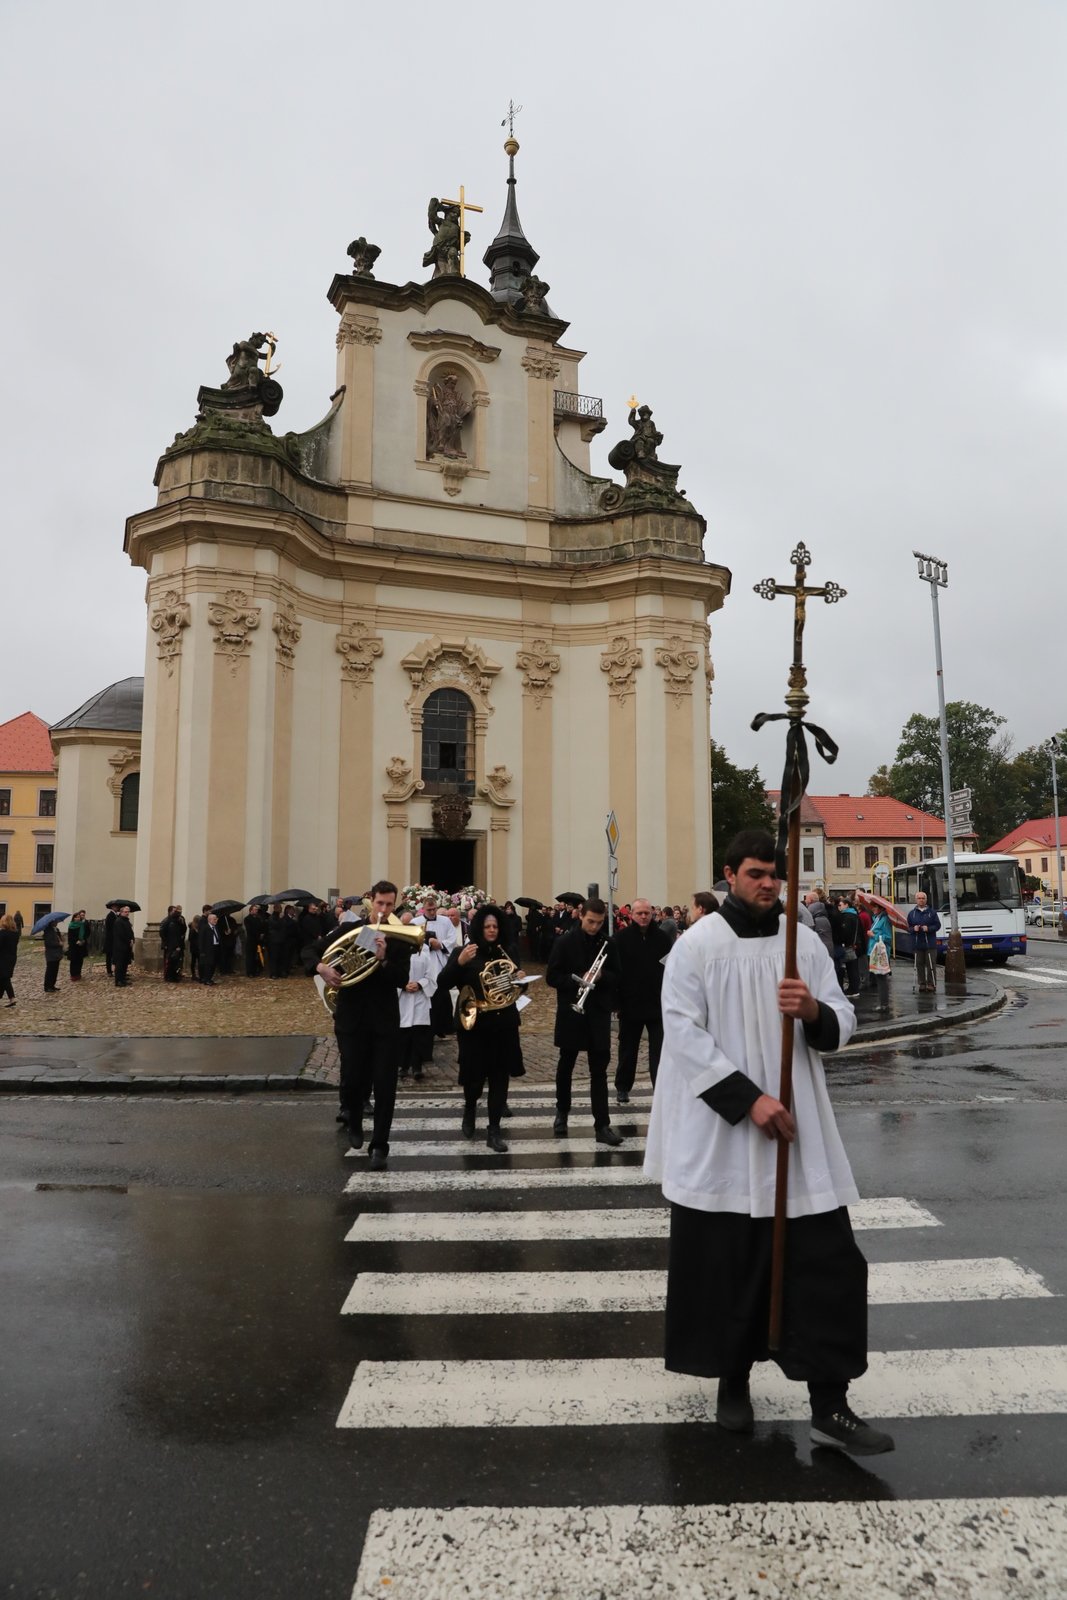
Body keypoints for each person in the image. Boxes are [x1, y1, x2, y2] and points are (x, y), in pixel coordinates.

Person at [644, 828, 893, 1457]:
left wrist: (813, 1013)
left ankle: (830, 1406)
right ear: (730, 874)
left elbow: (844, 1017)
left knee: (825, 1263)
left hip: (796, 1132)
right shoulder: (696, 947)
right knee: (730, 1265)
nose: (769, 884)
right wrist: (749, 1099)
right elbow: (682, 1035)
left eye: (775, 875)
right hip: (727, 1135)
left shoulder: (802, 943)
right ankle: (733, 1384)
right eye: (756, 873)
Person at [315, 879, 412, 1170]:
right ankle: (354, 1120)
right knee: (354, 1078)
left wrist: (382, 959)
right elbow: (312, 952)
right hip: (351, 1018)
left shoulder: (399, 938)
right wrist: (321, 967)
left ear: (395, 905)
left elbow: (400, 979)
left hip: (383, 1021)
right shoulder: (350, 930)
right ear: (371, 901)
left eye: (389, 904)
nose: (384, 909)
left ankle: (380, 1145)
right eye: (380, 903)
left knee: (385, 1085)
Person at [440, 904, 526, 1151]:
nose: (491, 930)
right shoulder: (464, 951)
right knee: (474, 1079)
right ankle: (469, 1109)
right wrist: (459, 962)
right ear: (479, 928)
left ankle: (494, 1130)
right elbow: (443, 983)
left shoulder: (507, 951)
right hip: (475, 1026)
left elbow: (518, 986)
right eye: (487, 926)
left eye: (495, 926)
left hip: (503, 1024)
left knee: (500, 1079)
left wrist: (520, 980)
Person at [546, 897, 623, 1146]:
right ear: (581, 916)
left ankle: (602, 1125)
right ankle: (562, 1112)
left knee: (599, 1071)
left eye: (599, 923)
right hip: (572, 1010)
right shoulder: (565, 942)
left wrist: (601, 975)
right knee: (566, 1064)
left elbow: (617, 975)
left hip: (598, 1013)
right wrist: (579, 979)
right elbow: (552, 977)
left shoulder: (608, 943)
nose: (594, 927)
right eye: (591, 921)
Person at [612, 897, 673, 1104]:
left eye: (647, 913)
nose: (644, 916)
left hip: (657, 1004)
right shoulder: (621, 939)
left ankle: (660, 1087)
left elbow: (671, 969)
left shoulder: (663, 938)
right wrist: (617, 1003)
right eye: (639, 913)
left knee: (659, 1051)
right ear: (632, 915)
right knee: (628, 1050)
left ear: (652, 914)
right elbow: (616, 972)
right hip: (630, 1004)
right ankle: (622, 1087)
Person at [398, 940, 436, 1082]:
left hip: (420, 999)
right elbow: (393, 975)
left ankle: (417, 1067)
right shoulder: (400, 957)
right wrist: (403, 985)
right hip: (404, 999)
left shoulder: (425, 957)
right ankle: (403, 1066)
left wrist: (420, 984)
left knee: (418, 1034)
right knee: (404, 1036)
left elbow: (431, 977)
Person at [908, 890, 941, 993]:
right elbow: (908, 927)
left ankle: (931, 983)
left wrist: (929, 929)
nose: (921, 900)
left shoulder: (932, 912)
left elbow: (937, 925)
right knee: (919, 964)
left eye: (923, 898)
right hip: (917, 943)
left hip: (929, 943)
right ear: (916, 900)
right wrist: (914, 929)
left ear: (926, 900)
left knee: (931, 964)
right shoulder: (912, 913)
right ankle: (922, 983)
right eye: (919, 898)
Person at [868, 906, 894, 1013]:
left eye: (875, 907)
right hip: (875, 951)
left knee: (882, 978)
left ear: (881, 908)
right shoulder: (876, 918)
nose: (873, 908)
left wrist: (873, 935)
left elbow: (888, 937)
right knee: (879, 978)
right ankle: (883, 1003)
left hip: (881, 953)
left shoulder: (884, 920)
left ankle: (884, 1004)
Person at [159, 905, 187, 982]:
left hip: (178, 944)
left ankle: (175, 975)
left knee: (177, 961)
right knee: (169, 961)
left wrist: (182, 923)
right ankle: (168, 976)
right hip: (169, 945)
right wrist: (166, 943)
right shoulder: (166, 920)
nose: (177, 913)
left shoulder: (180, 920)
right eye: (175, 911)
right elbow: (162, 932)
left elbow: (183, 931)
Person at [112, 907, 135, 987]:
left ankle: (123, 979)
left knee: (124, 964)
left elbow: (130, 932)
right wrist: (129, 940)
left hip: (126, 946)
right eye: (125, 912)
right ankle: (118, 981)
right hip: (120, 947)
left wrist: (132, 939)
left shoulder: (126, 921)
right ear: (121, 912)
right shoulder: (118, 921)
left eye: (128, 912)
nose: (127, 913)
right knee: (120, 965)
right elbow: (121, 934)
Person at [0, 912, 19, 1006]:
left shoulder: (3, 933)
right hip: (11, 958)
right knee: (3, 978)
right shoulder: (15, 934)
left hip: (2, 959)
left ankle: (12, 998)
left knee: (4, 978)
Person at [197, 912, 220, 986]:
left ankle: (210, 978)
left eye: (216, 919)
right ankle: (206, 979)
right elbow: (201, 940)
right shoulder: (205, 928)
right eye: (214, 919)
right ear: (209, 920)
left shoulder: (216, 927)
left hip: (216, 947)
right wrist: (202, 951)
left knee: (213, 964)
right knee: (208, 965)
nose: (216, 920)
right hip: (208, 949)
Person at [243, 905, 265, 977]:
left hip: (258, 941)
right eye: (255, 909)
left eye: (257, 910)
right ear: (251, 910)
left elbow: (261, 927)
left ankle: (255, 971)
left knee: (256, 957)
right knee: (250, 957)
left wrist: (262, 933)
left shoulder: (258, 919)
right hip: (251, 940)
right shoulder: (247, 919)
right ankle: (250, 972)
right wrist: (258, 934)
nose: (256, 911)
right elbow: (250, 930)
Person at [67, 911, 89, 981]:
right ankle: (73, 974)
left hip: (81, 945)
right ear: (73, 918)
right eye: (76, 917)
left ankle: (78, 973)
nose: (78, 918)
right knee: (74, 961)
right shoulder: (71, 925)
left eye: (79, 917)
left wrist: (83, 940)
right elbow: (70, 937)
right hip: (74, 946)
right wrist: (76, 941)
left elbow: (86, 933)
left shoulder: (82, 925)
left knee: (80, 960)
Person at [103, 906, 117, 977]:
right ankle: (109, 971)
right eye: (116, 907)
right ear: (112, 907)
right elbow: (111, 928)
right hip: (110, 940)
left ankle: (112, 970)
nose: (117, 908)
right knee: (109, 956)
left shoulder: (115, 915)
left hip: (113, 940)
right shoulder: (110, 915)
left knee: (112, 956)